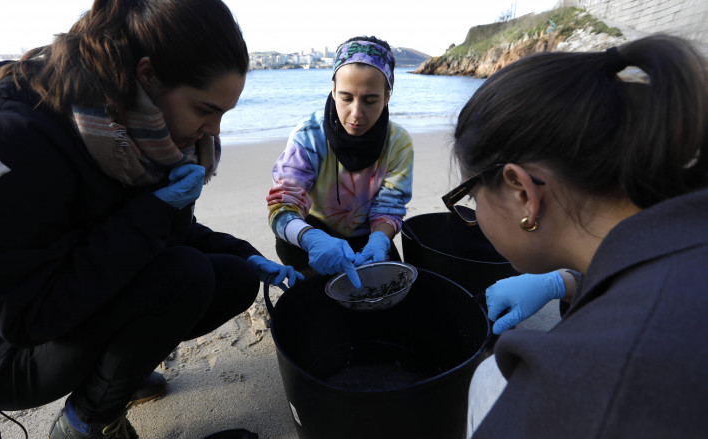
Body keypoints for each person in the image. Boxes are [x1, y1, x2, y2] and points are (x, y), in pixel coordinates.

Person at [0, 0, 300, 438]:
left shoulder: (135, 134)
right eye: (205, 109)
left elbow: (172, 233)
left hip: (60, 309)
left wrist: (244, 254)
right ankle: (86, 423)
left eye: (224, 115)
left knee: (233, 278)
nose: (213, 130)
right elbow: (29, 316)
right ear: (148, 75)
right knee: (183, 277)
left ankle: (119, 373)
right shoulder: (1, 141)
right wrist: (154, 211)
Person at [444, 34, 708, 438]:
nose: (475, 214)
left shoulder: (584, 389)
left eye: (471, 196)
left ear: (522, 193)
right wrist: (566, 284)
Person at [266, 36, 414, 287]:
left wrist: (379, 240)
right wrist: (310, 238)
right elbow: (282, 207)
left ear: (387, 96)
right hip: (310, 235)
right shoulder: (308, 137)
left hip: (368, 236)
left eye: (370, 100)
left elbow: (390, 205)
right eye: (346, 98)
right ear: (333, 90)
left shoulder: (398, 143)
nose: (356, 113)